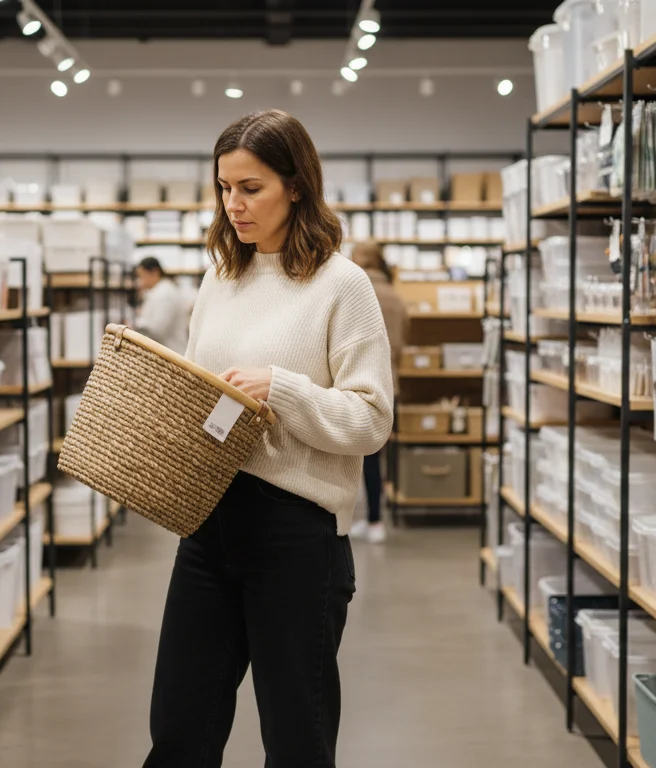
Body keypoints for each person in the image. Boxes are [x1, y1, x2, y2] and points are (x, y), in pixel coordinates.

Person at [144, 109, 394, 768]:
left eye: (250, 188)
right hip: (207, 523)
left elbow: (371, 420)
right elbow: (204, 393)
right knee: (178, 729)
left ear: (296, 184)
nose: (234, 205)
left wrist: (280, 389)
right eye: (224, 188)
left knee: (296, 740)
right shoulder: (219, 277)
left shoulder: (343, 286)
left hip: (298, 534)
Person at [347, 241, 406, 543]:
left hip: (358, 384)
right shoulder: (395, 296)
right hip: (389, 384)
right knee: (375, 456)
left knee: (356, 458)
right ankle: (374, 520)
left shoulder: (356, 290)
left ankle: (364, 519)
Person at [133, 256, 191, 353]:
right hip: (168, 353)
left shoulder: (164, 294)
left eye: (142, 276)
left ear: (154, 272)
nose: (140, 281)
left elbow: (158, 330)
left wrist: (137, 324)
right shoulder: (161, 291)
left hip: (171, 353)